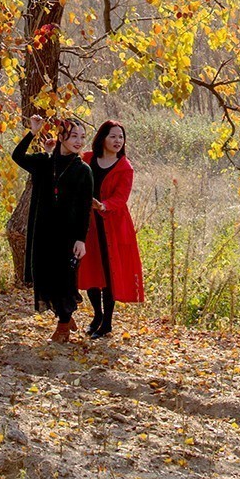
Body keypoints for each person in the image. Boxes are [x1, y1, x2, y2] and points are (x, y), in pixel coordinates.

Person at [11, 116, 92, 344]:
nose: (78, 141)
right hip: (44, 231)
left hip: (68, 235)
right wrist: (32, 132)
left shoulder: (83, 170)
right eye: (73, 135)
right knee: (46, 277)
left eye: (82, 137)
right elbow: (17, 156)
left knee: (65, 279)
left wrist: (80, 239)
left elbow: (85, 209)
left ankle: (63, 324)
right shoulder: (45, 162)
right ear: (61, 137)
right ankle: (65, 315)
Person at [78, 120, 144, 338]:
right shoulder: (86, 159)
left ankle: (107, 323)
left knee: (109, 272)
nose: (118, 141)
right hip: (89, 225)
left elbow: (121, 197)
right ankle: (97, 314)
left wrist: (103, 206)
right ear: (103, 138)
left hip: (112, 224)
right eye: (113, 136)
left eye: (121, 137)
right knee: (91, 270)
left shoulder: (125, 167)